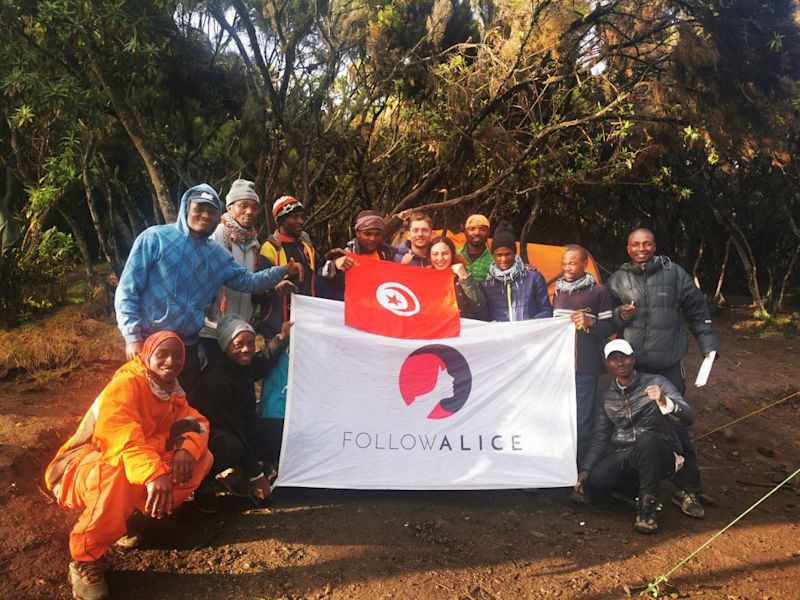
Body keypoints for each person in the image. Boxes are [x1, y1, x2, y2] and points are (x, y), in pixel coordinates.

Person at [44, 332, 212, 600]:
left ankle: (124, 518)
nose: (171, 361)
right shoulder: (127, 383)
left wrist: (186, 449)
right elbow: (120, 437)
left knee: (202, 457)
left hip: (129, 463)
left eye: (177, 355)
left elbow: (198, 424)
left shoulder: (170, 390)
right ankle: (84, 558)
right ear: (147, 356)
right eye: (162, 354)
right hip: (79, 467)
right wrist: (154, 473)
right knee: (116, 470)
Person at [114, 183, 302, 399]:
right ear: (186, 208)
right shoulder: (154, 238)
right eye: (199, 208)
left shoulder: (217, 254)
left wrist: (283, 270)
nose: (205, 215)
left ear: (217, 215)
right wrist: (132, 336)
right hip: (151, 343)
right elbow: (128, 290)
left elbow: (248, 281)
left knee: (185, 407)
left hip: (188, 348)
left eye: (211, 211)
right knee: (145, 406)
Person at [606, 227, 719, 519]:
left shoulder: (674, 274)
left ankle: (687, 488)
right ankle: (637, 485)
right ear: (628, 249)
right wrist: (621, 315)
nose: (641, 249)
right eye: (635, 245)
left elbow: (696, 309)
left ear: (654, 246)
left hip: (667, 363)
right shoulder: (618, 278)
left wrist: (708, 344)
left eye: (646, 244)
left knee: (675, 422)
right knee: (631, 425)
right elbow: (608, 317)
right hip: (634, 366)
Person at [575, 339, 694, 534]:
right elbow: (600, 437)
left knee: (645, 439)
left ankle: (648, 510)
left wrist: (665, 402)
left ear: (633, 359)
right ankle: (634, 493)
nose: (620, 363)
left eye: (624, 357)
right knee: (598, 480)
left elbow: (688, 416)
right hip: (628, 454)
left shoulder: (657, 382)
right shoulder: (606, 398)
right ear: (607, 364)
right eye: (614, 359)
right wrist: (586, 469)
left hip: (662, 453)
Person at [191, 314, 291, 512]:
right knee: (231, 447)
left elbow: (261, 362)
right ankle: (203, 484)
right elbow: (234, 429)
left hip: (242, 429)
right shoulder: (216, 380)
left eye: (251, 343)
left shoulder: (242, 365)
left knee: (283, 431)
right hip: (216, 438)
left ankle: (240, 474)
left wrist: (280, 338)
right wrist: (258, 476)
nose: (246, 349)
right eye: (239, 344)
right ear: (226, 345)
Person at [255, 195, 317, 436]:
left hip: (306, 324)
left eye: (301, 216)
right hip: (278, 326)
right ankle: (271, 436)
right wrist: (274, 288)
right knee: (277, 383)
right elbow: (256, 289)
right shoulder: (270, 248)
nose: (299, 221)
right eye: (293, 217)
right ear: (281, 219)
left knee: (301, 383)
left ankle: (300, 436)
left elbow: (313, 281)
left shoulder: (306, 245)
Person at [553, 245, 614, 464]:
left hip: (585, 367)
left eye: (572, 262)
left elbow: (609, 328)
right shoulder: (558, 290)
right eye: (564, 263)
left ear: (585, 263)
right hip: (559, 367)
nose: (567, 267)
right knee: (559, 416)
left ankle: (578, 468)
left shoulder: (598, 291)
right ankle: (559, 465)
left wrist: (591, 322)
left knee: (581, 419)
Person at [199, 179, 267, 361]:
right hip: (212, 328)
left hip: (240, 331)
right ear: (230, 208)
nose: (250, 212)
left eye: (254, 207)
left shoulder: (254, 244)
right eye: (243, 205)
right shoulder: (218, 234)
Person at [318, 210, 399, 300]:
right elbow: (319, 279)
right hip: (353, 310)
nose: (373, 239)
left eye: (377, 234)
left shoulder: (389, 255)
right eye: (367, 234)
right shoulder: (344, 254)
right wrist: (335, 265)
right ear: (357, 232)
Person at [481, 221, 552, 321]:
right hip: (500, 335)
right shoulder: (487, 283)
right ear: (493, 256)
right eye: (499, 255)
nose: (504, 259)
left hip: (529, 334)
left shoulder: (533, 277)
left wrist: (532, 320)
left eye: (508, 254)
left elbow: (547, 311)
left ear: (514, 253)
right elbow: (484, 316)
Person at [427, 235, 487, 320]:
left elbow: (479, 305)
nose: (440, 258)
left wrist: (464, 277)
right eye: (435, 254)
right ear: (429, 256)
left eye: (445, 253)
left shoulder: (461, 274)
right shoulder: (425, 277)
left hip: (461, 329)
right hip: (435, 329)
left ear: (452, 254)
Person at [458, 214, 492, 285]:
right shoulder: (455, 255)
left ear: (488, 232)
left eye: (482, 229)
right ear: (465, 232)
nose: (477, 233)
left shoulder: (493, 260)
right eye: (472, 229)